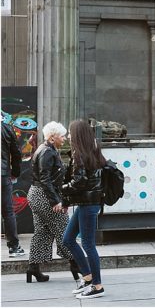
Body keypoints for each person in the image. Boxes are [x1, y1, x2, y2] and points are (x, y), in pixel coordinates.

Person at [61, 120, 106, 298]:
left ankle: (97, 286)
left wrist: (62, 188)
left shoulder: (79, 154)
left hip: (88, 204)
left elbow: (79, 182)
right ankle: (87, 278)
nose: (69, 136)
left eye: (71, 133)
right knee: (68, 239)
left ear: (77, 135)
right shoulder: (93, 151)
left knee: (88, 244)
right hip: (88, 203)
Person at [26, 121, 76, 283]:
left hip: (38, 195)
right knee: (65, 229)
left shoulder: (46, 149)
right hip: (44, 196)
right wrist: (56, 201)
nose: (64, 138)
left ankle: (33, 268)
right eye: (62, 136)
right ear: (53, 138)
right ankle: (77, 265)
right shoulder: (48, 152)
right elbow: (45, 179)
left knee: (42, 232)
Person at [2, 121, 26, 257]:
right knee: (8, 211)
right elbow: (16, 153)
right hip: (3, 174)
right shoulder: (6, 128)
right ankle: (14, 247)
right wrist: (15, 173)